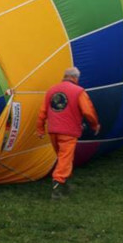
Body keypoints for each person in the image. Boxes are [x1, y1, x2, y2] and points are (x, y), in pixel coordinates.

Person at [36, 67, 100, 200]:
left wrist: (40, 129)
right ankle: (57, 188)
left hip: (53, 131)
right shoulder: (78, 91)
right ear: (76, 78)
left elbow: (42, 112)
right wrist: (94, 124)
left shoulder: (51, 90)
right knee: (65, 159)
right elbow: (88, 111)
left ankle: (65, 184)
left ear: (65, 76)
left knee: (63, 159)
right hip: (68, 132)